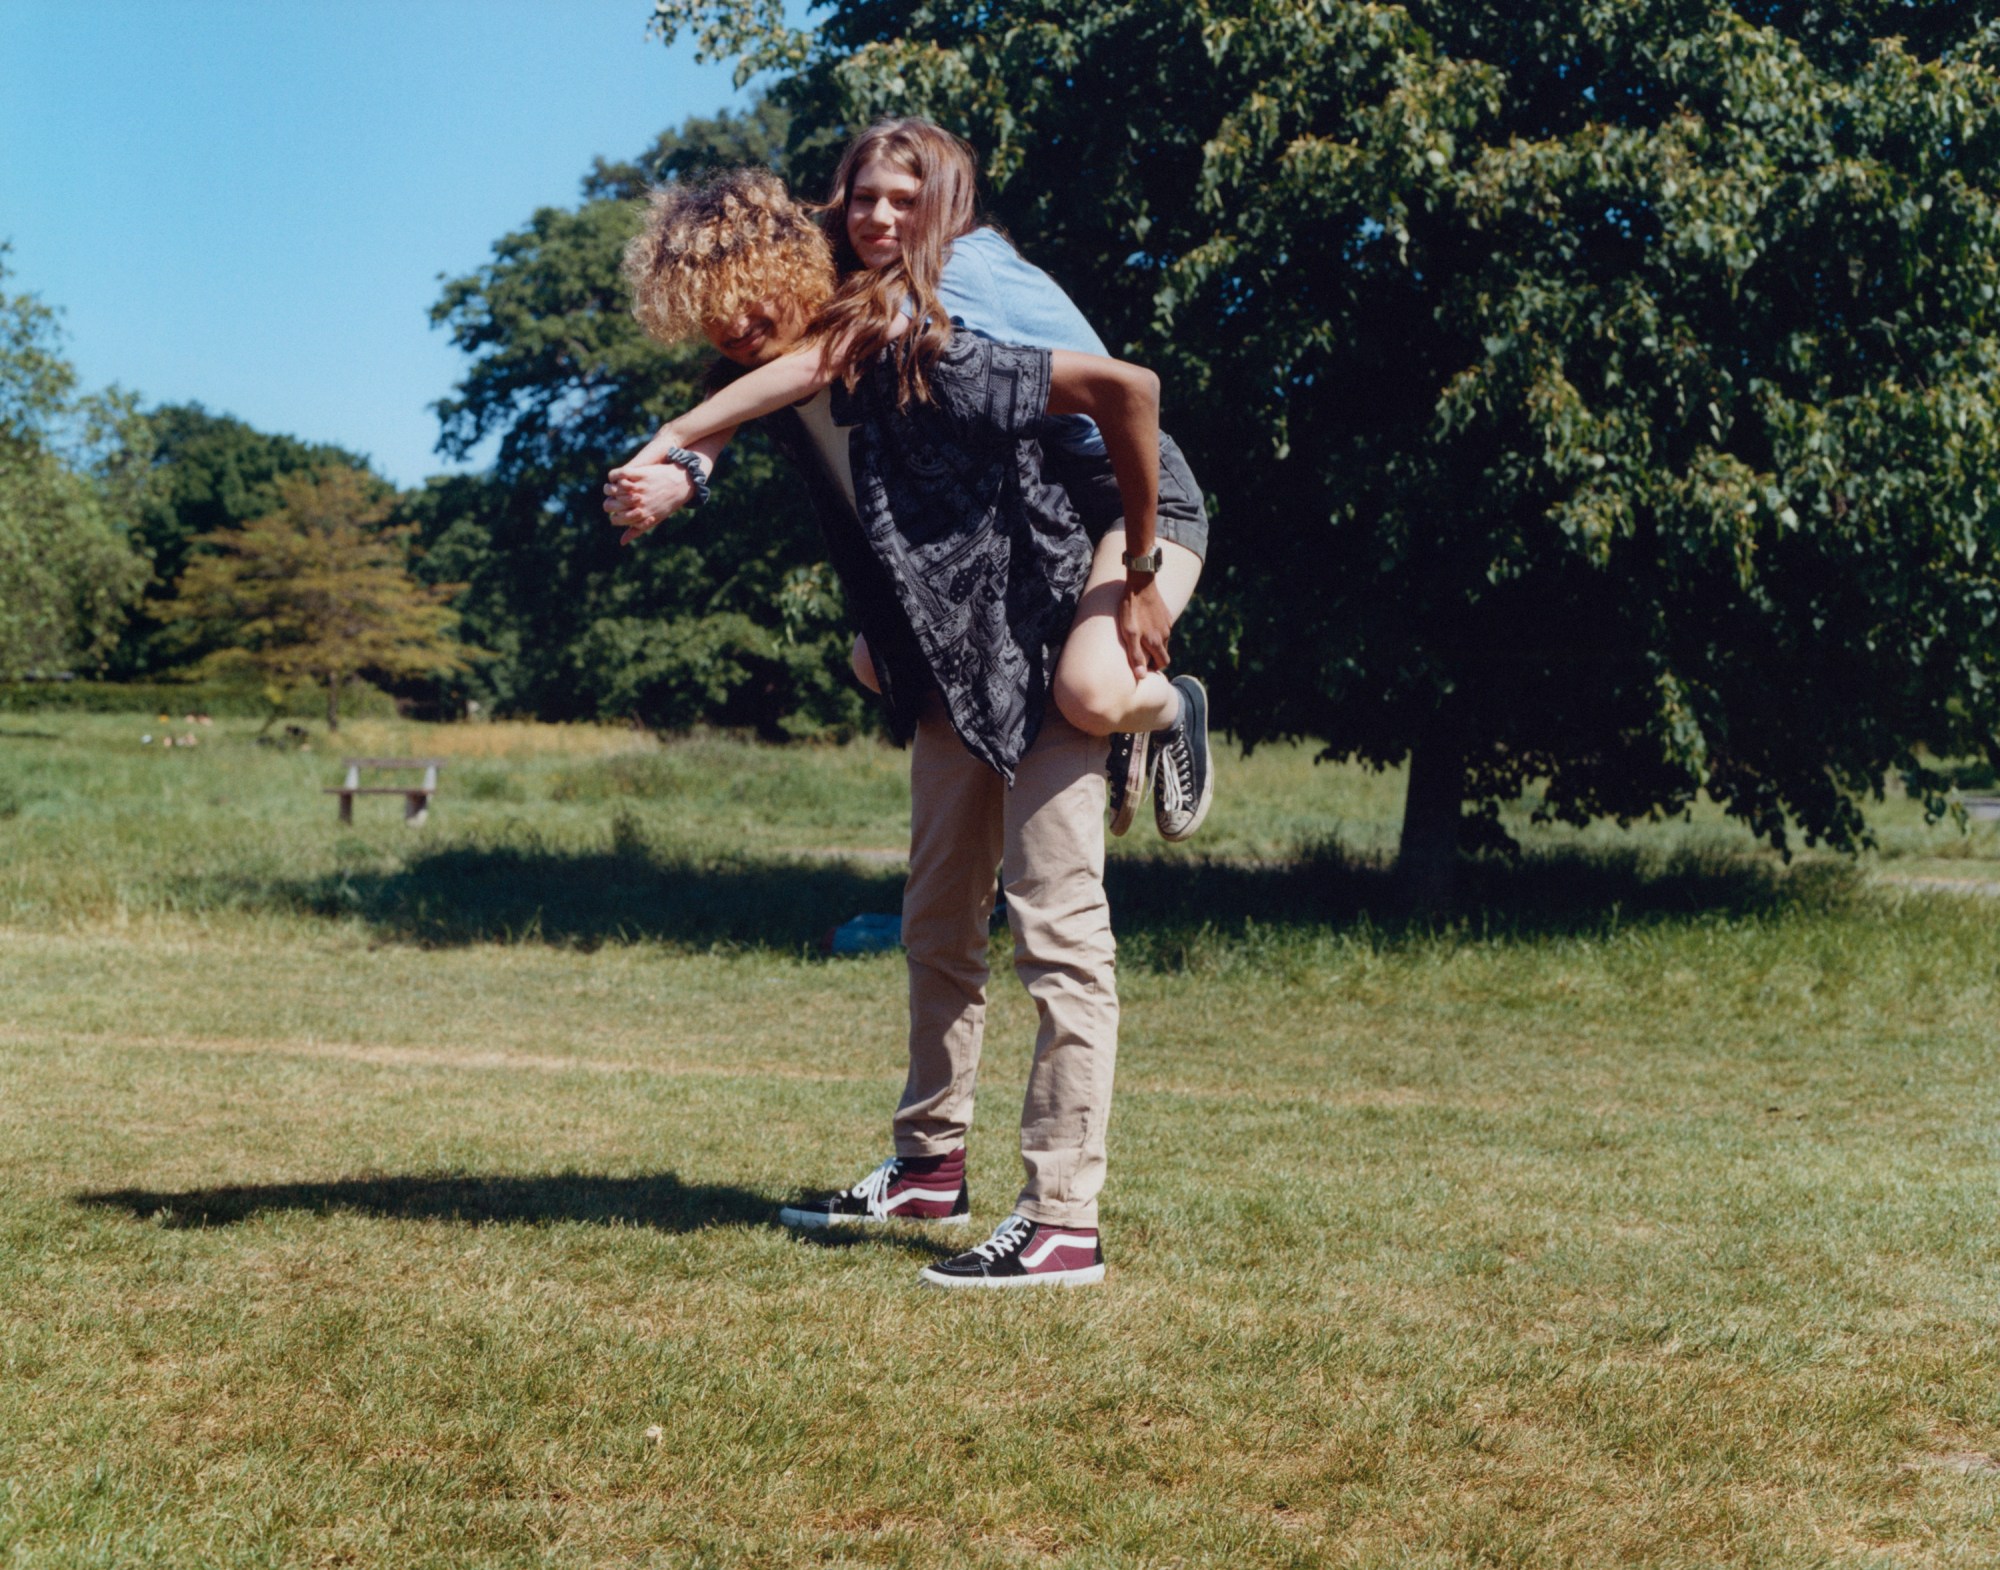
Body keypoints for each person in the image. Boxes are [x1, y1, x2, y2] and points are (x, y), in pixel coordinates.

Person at [611, 168, 1175, 1287]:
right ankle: (927, 1165)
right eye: (703, 308)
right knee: (933, 922)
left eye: (739, 287)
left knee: (1054, 925)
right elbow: (845, 500)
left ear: (789, 262)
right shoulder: (768, 382)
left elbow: (1115, 396)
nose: (727, 320)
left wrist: (1138, 578)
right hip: (941, 659)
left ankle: (1062, 1214)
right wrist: (689, 468)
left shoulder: (911, 335)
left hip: (1042, 617)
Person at [609, 118, 1212, 843]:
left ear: (947, 205)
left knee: (1090, 690)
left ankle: (1172, 711)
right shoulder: (862, 264)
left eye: (906, 200)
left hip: (1136, 491)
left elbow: (813, 362)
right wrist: (693, 468)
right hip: (1061, 502)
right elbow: (750, 369)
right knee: (877, 658)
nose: (880, 218)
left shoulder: (952, 269)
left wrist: (676, 434)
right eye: (864, 198)